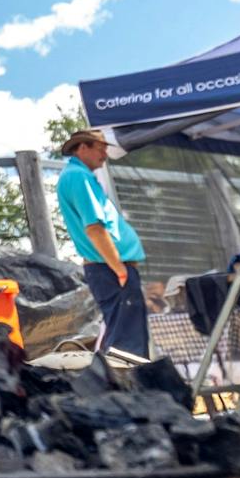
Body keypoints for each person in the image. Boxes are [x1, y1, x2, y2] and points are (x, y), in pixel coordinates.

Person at [56, 127, 150, 357]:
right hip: (110, 268)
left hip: (108, 267)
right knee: (128, 340)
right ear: (82, 148)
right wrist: (118, 268)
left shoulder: (78, 176)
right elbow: (95, 228)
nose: (105, 155)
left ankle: (127, 385)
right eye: (100, 148)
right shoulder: (79, 176)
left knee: (124, 333)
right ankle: (130, 388)